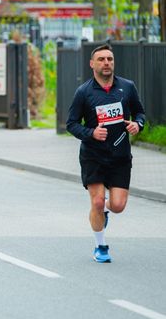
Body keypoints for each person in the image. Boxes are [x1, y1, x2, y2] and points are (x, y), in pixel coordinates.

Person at [67, 44, 145, 263]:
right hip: (93, 156)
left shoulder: (127, 87)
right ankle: (100, 247)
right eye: (101, 59)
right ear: (92, 64)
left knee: (118, 206)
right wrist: (91, 133)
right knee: (98, 202)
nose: (106, 63)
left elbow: (140, 113)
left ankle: (105, 212)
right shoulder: (84, 92)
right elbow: (71, 124)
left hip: (120, 156)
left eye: (109, 59)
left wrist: (138, 124)